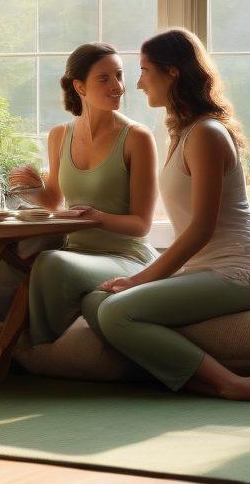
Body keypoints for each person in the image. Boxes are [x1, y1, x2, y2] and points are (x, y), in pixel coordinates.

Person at [91, 28, 250, 402]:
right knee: (98, 302)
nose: (139, 83)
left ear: (173, 72)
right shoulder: (184, 132)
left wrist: (141, 280)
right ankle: (190, 380)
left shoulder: (207, 134)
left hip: (242, 273)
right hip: (206, 270)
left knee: (116, 312)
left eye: (145, 70)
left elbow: (202, 229)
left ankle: (226, 380)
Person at [9, 43, 158, 346]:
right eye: (104, 79)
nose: (117, 86)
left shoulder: (137, 137)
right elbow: (53, 202)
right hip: (75, 251)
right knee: (10, 262)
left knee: (50, 263)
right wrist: (34, 186)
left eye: (119, 76)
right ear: (80, 86)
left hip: (124, 256)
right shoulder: (59, 135)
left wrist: (96, 218)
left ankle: (44, 349)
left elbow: (141, 224)